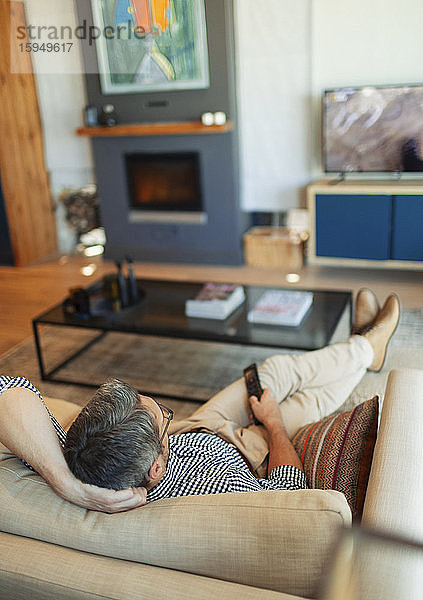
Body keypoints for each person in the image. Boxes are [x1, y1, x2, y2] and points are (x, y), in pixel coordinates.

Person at [0, 289, 400, 513]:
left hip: (197, 430)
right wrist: (274, 424)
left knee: (272, 371)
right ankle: (367, 346)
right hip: (250, 449)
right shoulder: (220, 494)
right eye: (162, 417)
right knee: (304, 396)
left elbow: (6, 388)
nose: (161, 411)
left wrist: (70, 487)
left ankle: (363, 345)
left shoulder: (76, 454)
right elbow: (289, 489)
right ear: (157, 469)